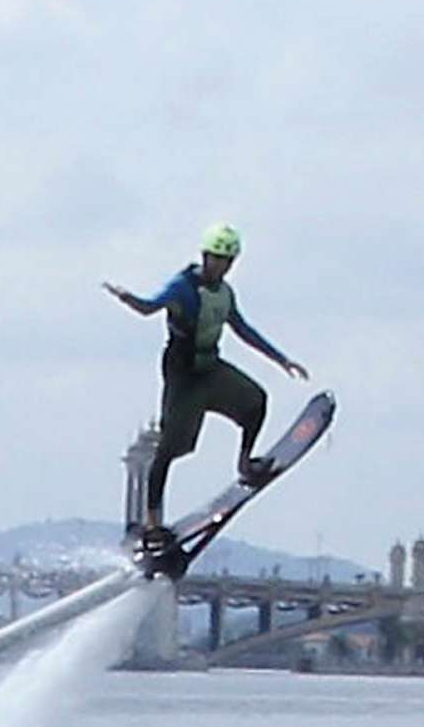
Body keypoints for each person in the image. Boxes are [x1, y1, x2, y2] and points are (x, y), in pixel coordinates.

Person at [105, 222, 308, 538]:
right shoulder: (182, 287)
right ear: (206, 256)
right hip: (183, 375)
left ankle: (244, 463)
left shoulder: (224, 294)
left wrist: (282, 360)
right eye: (218, 259)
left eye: (228, 261)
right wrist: (126, 297)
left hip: (210, 368)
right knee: (170, 449)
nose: (223, 267)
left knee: (256, 401)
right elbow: (149, 307)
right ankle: (152, 524)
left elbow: (243, 330)